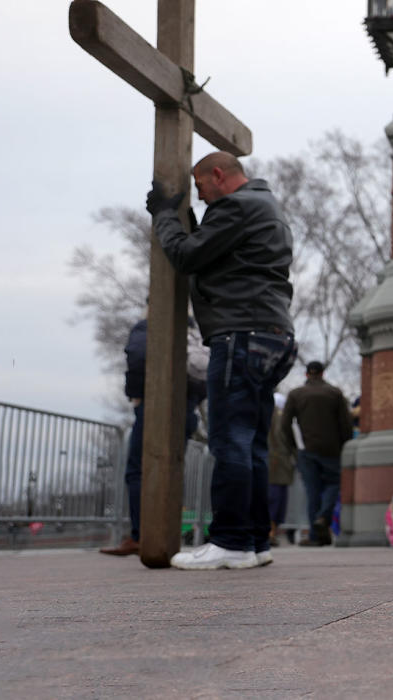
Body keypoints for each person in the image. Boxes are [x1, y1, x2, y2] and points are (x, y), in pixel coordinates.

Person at [146, 151, 297, 570]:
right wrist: (186, 222)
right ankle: (253, 542)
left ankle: (229, 540)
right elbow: (210, 250)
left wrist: (164, 216)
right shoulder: (266, 208)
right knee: (251, 443)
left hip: (241, 334)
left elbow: (188, 256)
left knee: (229, 439)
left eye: (200, 188)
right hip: (273, 334)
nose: (201, 198)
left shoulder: (237, 206)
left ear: (218, 175)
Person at [99, 314, 207, 557]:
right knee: (173, 469)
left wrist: (137, 395)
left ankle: (142, 535)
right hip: (186, 407)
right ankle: (168, 534)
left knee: (138, 470)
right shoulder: (193, 330)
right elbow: (203, 372)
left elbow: (137, 357)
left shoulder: (149, 325)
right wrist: (192, 401)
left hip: (154, 404)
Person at [280, 361, 353, 547]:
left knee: (312, 491)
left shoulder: (296, 394)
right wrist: (344, 444)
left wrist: (293, 447)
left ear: (306, 375)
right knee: (333, 484)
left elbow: (285, 424)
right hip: (332, 449)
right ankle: (323, 518)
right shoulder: (335, 393)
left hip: (306, 449)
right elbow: (346, 424)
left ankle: (315, 536)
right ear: (322, 374)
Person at [267, 392, 296, 546]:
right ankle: (270, 530)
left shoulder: (269, 413)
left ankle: (271, 530)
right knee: (276, 497)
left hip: (274, 460)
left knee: (276, 497)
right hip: (277, 461)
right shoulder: (277, 416)